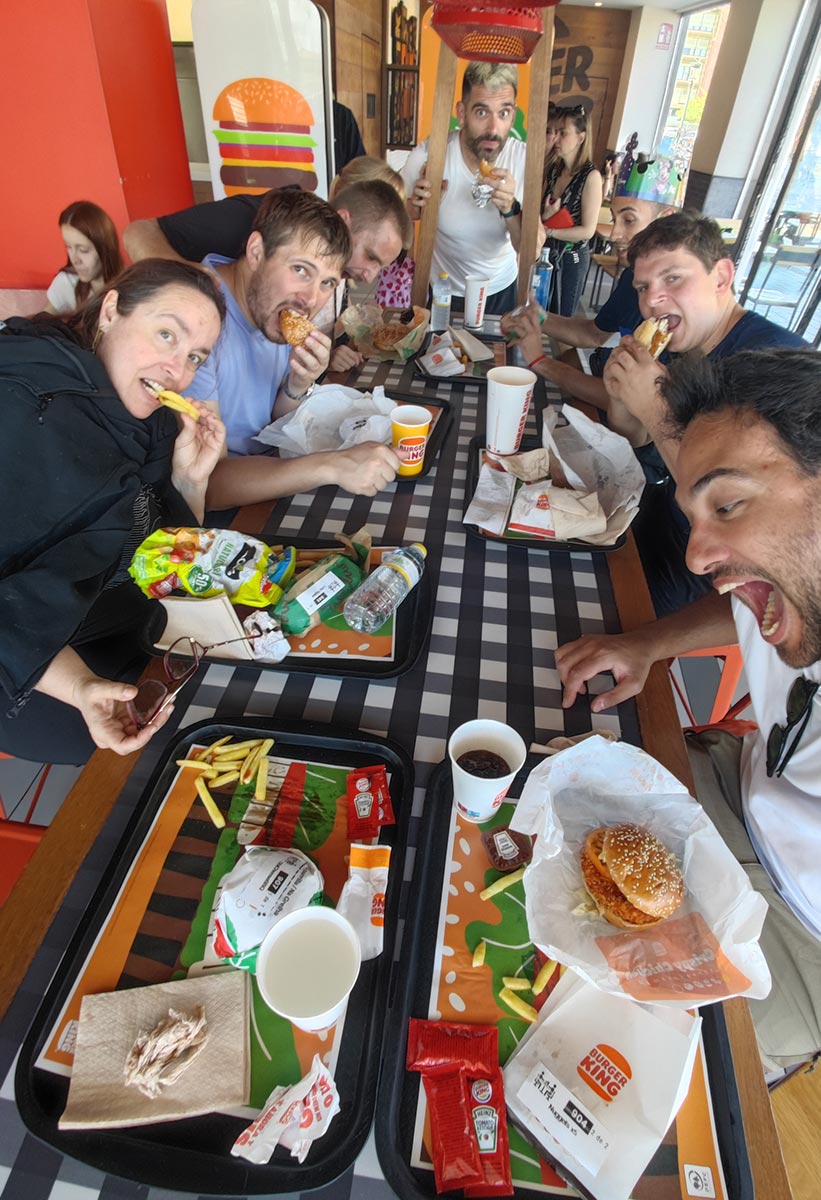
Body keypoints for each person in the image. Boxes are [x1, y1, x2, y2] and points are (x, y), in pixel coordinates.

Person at [555, 349, 821, 1072]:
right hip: (742, 783)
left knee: (616, 1052)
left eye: (727, 506)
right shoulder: (792, 580)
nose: (698, 556)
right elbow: (747, 601)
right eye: (694, 516)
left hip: (798, 931)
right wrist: (647, 642)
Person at [0, 260, 227, 765]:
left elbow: (165, 558)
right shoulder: (28, 407)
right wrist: (80, 687)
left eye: (194, 356)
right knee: (181, 740)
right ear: (110, 312)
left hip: (128, 619)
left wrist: (190, 479)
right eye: (166, 334)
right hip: (31, 668)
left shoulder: (149, 421)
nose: (178, 370)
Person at [605, 212, 808, 617]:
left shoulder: (772, 364)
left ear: (721, 277)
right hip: (655, 516)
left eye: (672, 278)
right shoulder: (684, 348)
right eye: (643, 287)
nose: (652, 301)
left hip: (706, 571)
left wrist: (653, 407)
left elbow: (726, 507)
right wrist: (622, 396)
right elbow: (635, 438)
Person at [181, 188, 400, 508]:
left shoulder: (271, 307)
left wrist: (298, 384)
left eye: (327, 283)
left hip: (270, 474)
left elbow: (272, 423)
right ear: (256, 251)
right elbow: (207, 485)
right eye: (300, 270)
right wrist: (332, 465)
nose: (310, 300)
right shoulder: (196, 321)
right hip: (224, 509)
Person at [123, 167, 411, 373]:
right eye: (370, 257)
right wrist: (194, 284)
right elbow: (138, 233)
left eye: (327, 282)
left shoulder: (335, 275)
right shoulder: (257, 219)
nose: (370, 275)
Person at [501, 148, 684, 409]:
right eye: (615, 219)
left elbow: (626, 404)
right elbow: (595, 334)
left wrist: (540, 361)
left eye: (629, 220)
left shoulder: (682, 315)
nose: (614, 234)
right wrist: (537, 316)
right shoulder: (633, 277)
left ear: (666, 220)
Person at [401, 61, 535, 315]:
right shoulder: (430, 155)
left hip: (501, 290)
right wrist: (414, 207)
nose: (493, 129)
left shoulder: (524, 160)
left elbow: (532, 251)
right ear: (462, 113)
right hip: (444, 290)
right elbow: (395, 219)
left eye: (503, 113)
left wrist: (510, 208)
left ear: (513, 115)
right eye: (482, 112)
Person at [542, 107, 603, 317]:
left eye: (563, 133)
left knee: (561, 318)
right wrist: (546, 218)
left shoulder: (591, 176)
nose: (556, 138)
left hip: (571, 258)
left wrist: (550, 231)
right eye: (554, 132)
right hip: (547, 254)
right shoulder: (554, 170)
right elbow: (541, 213)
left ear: (581, 137)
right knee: (539, 313)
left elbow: (587, 231)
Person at [44, 200, 125, 314]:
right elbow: (42, 320)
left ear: (105, 249)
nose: (74, 260)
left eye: (83, 250)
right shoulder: (68, 281)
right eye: (68, 247)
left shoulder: (130, 285)